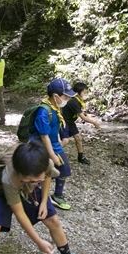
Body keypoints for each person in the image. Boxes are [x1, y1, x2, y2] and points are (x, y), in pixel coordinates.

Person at [29, 78, 77, 210]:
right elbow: (44, 137)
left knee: (64, 170)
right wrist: (52, 155)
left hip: (54, 143)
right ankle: (35, 197)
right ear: (56, 96)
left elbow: (61, 124)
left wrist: (64, 136)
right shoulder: (43, 112)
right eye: (66, 96)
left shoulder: (57, 107)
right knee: (41, 174)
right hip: (39, 147)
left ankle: (57, 195)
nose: (67, 99)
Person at [60, 82, 101, 165]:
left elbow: (81, 113)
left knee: (78, 137)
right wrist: (95, 123)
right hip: (63, 122)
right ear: (77, 93)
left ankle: (80, 157)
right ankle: (51, 154)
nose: (86, 94)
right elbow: (83, 118)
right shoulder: (74, 102)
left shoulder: (77, 101)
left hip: (70, 121)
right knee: (65, 141)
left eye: (86, 92)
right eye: (84, 92)